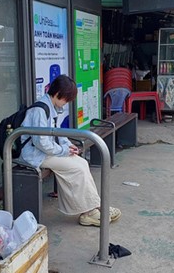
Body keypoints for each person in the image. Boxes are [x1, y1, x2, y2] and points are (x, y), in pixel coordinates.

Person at [20, 74, 121, 227]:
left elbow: (56, 133)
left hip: (42, 152)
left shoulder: (50, 106)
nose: (66, 103)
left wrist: (67, 146)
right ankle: (90, 212)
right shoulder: (40, 110)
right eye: (66, 99)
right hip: (34, 155)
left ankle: (95, 207)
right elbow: (41, 142)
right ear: (58, 94)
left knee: (81, 164)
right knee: (77, 167)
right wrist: (64, 151)